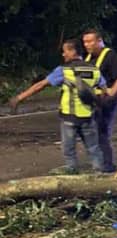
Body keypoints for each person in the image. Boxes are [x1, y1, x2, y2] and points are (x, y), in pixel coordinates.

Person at [9, 38, 105, 173]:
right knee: (93, 148)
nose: (63, 54)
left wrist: (19, 98)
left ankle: (72, 172)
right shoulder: (94, 70)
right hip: (88, 117)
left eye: (65, 51)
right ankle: (100, 175)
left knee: (69, 150)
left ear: (73, 51)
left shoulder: (64, 70)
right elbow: (103, 90)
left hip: (69, 118)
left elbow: (40, 85)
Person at [82, 27, 117, 173]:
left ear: (99, 41)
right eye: (85, 42)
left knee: (102, 134)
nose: (87, 45)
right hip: (91, 102)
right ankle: (99, 164)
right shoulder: (87, 58)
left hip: (106, 102)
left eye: (90, 41)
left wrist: (111, 94)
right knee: (91, 134)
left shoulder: (110, 56)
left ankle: (107, 166)